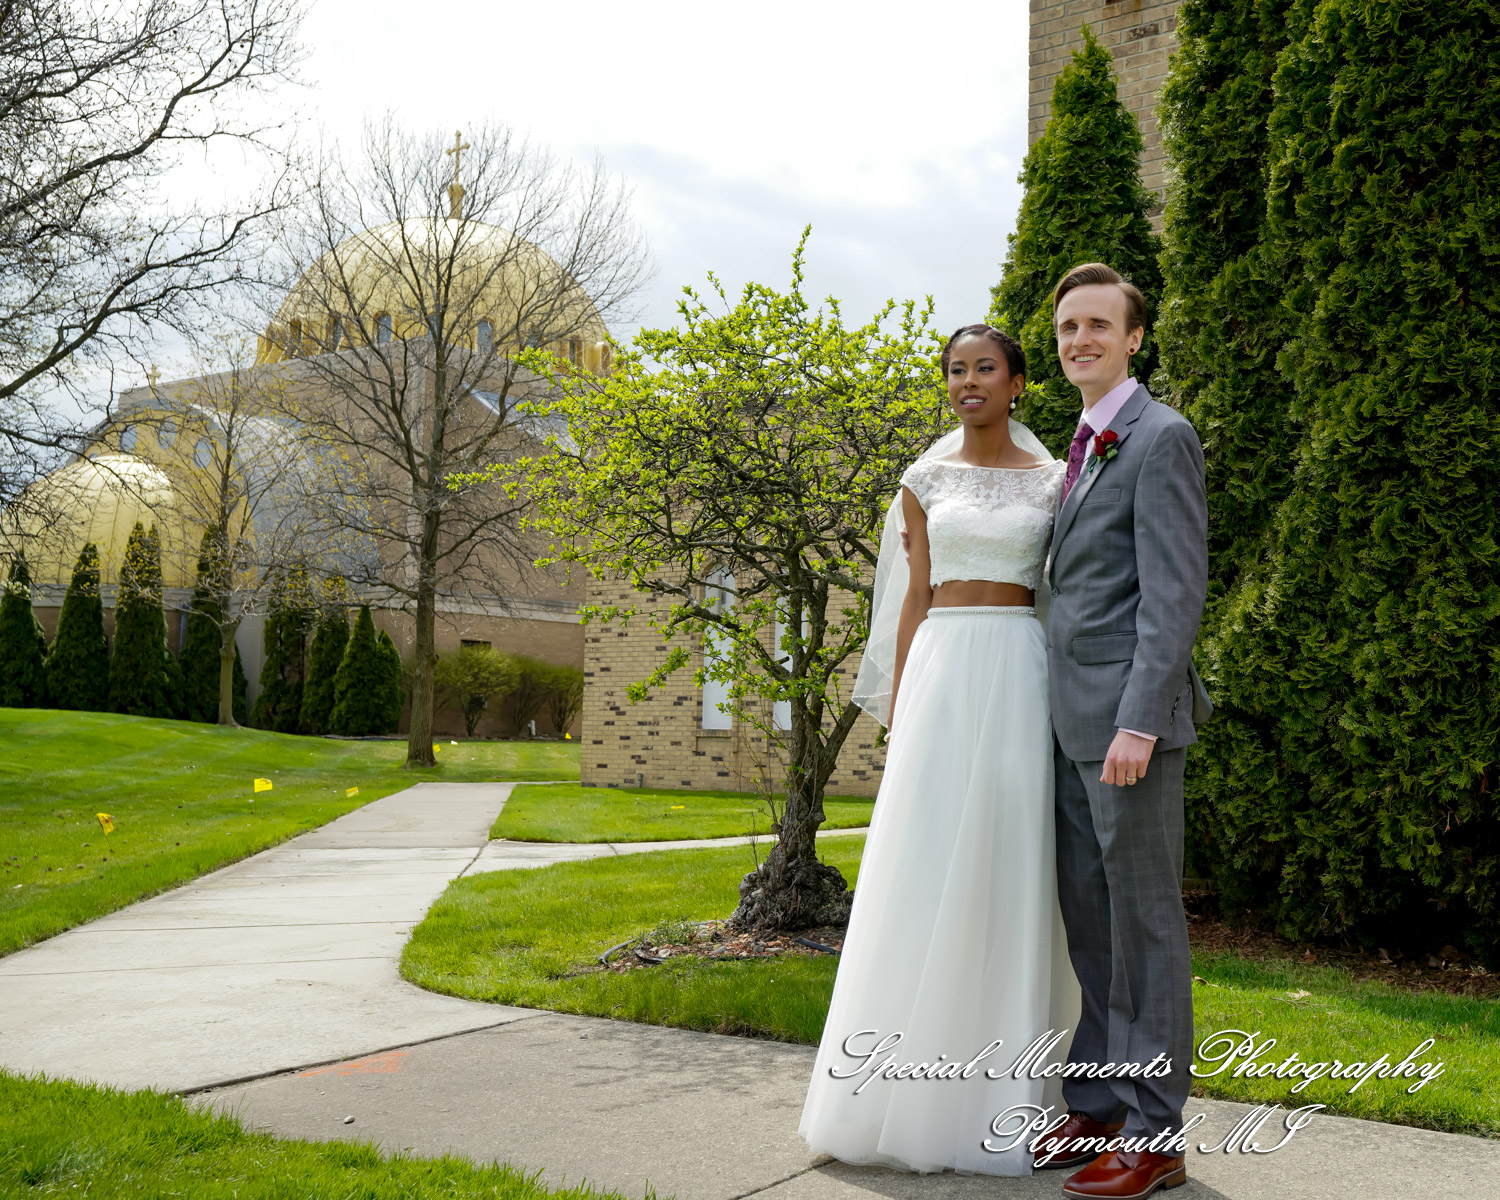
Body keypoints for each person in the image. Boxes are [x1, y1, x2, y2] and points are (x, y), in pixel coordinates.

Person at [797, 323, 1083, 1176]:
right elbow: (912, 598)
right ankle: (896, 1092)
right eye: (956, 370)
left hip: (1022, 672)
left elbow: (1062, 593)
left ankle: (1010, 1091)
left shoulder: (1057, 482)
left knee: (1013, 862)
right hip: (946, 672)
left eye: (985, 369)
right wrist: (904, 704)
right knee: (923, 863)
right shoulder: (923, 481)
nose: (969, 382)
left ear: (1018, 383)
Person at [1039, 262, 1209, 1200]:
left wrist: (1140, 721)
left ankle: (1155, 1134)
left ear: (1135, 337)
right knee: (1093, 926)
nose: (1080, 341)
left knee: (1144, 930)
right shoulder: (1083, 442)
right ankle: (1098, 1104)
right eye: (1068, 328)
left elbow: (1173, 597)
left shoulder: (1160, 437)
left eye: (1099, 326)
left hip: (1128, 735)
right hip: (1070, 728)